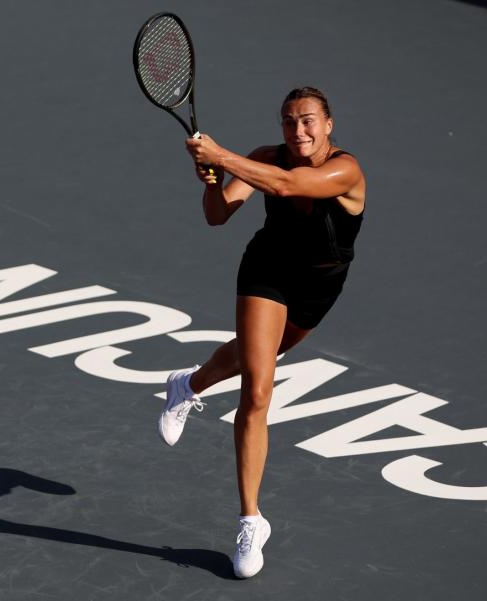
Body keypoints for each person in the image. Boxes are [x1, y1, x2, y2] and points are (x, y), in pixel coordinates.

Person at [157, 87, 366, 579]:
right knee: (258, 389)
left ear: (329, 124)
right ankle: (251, 520)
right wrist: (211, 180)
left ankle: (187, 384)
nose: (299, 131)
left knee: (261, 357)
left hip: (320, 285)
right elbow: (218, 213)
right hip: (267, 270)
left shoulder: (347, 170)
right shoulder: (262, 158)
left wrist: (220, 155)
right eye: (290, 122)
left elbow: (289, 186)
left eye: (309, 121)